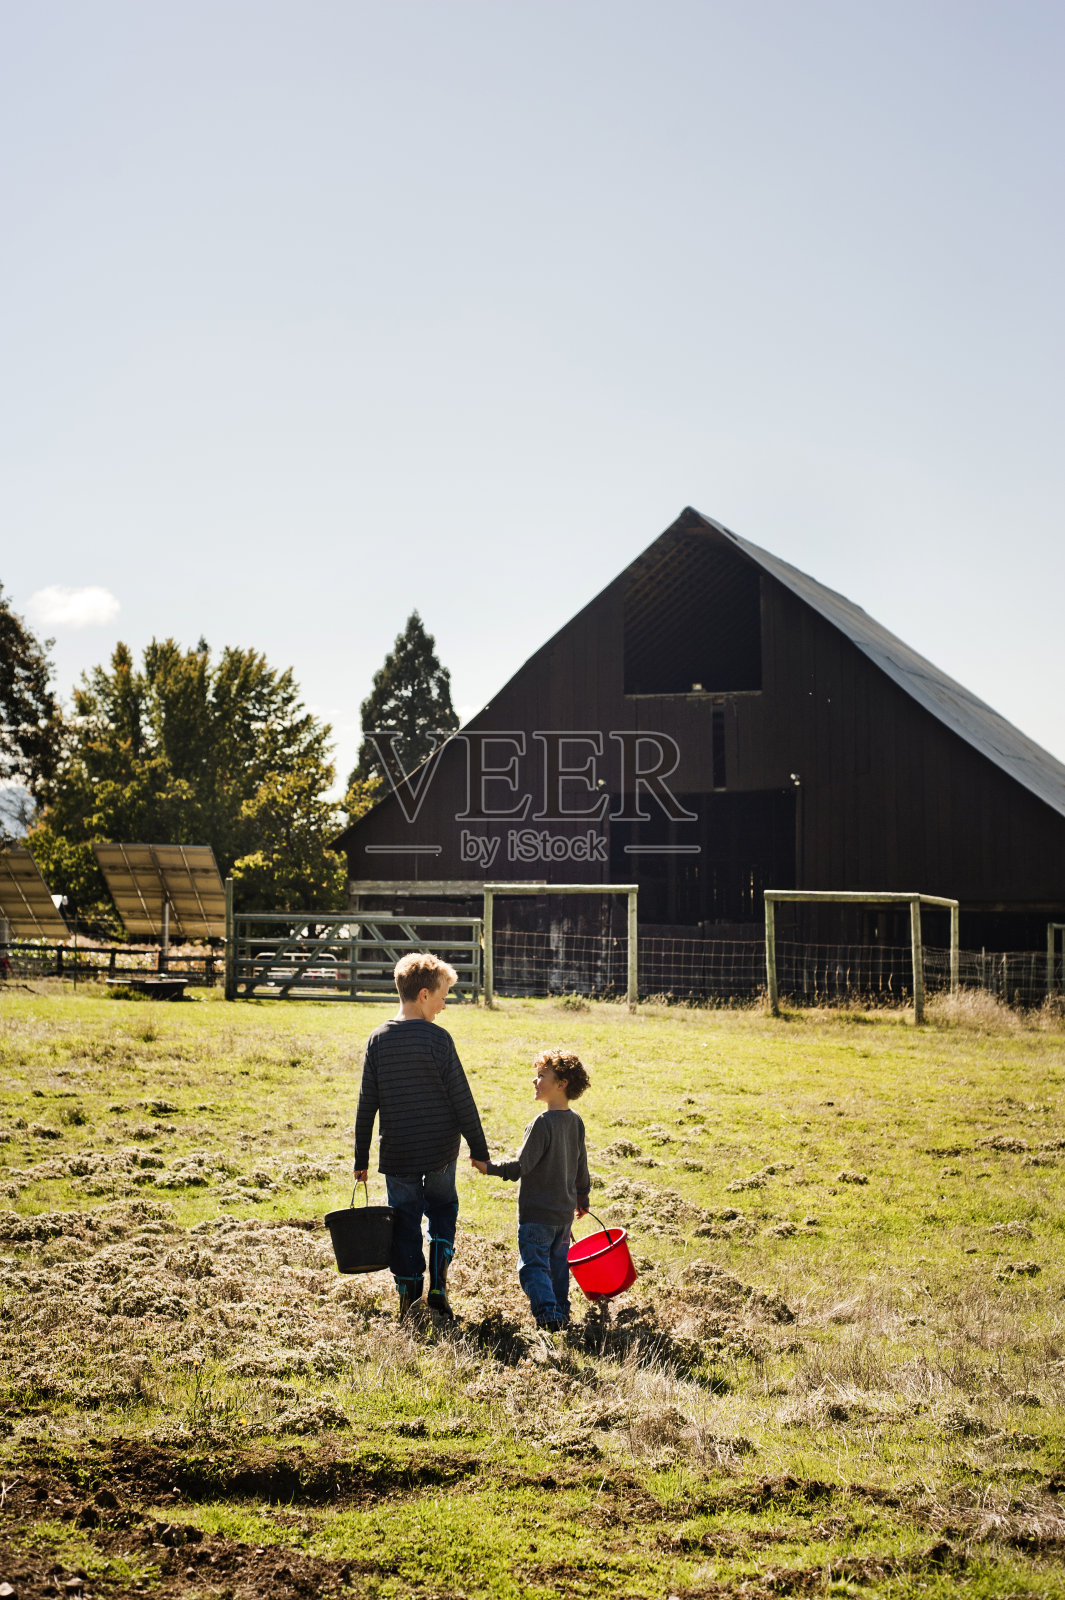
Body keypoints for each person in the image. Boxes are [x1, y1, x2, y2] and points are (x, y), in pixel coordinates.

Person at [354, 952, 489, 1321]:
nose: (445, 1005)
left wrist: (360, 1159)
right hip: (440, 1150)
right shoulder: (439, 1040)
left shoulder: (378, 1040)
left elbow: (368, 1104)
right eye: (444, 996)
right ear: (425, 994)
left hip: (398, 1153)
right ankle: (439, 1283)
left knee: (404, 1217)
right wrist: (479, 1149)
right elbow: (462, 1098)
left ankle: (409, 1295)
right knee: (443, 1208)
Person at [472, 1047, 590, 1331]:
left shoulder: (541, 1124)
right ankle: (561, 1312)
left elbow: (520, 1166)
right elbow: (581, 1165)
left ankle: (549, 1315)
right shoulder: (575, 1121)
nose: (534, 1081)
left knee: (533, 1267)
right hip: (563, 1215)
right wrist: (582, 1197)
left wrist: (489, 1167)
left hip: (537, 1215)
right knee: (558, 1267)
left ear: (561, 1084)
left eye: (541, 1076)